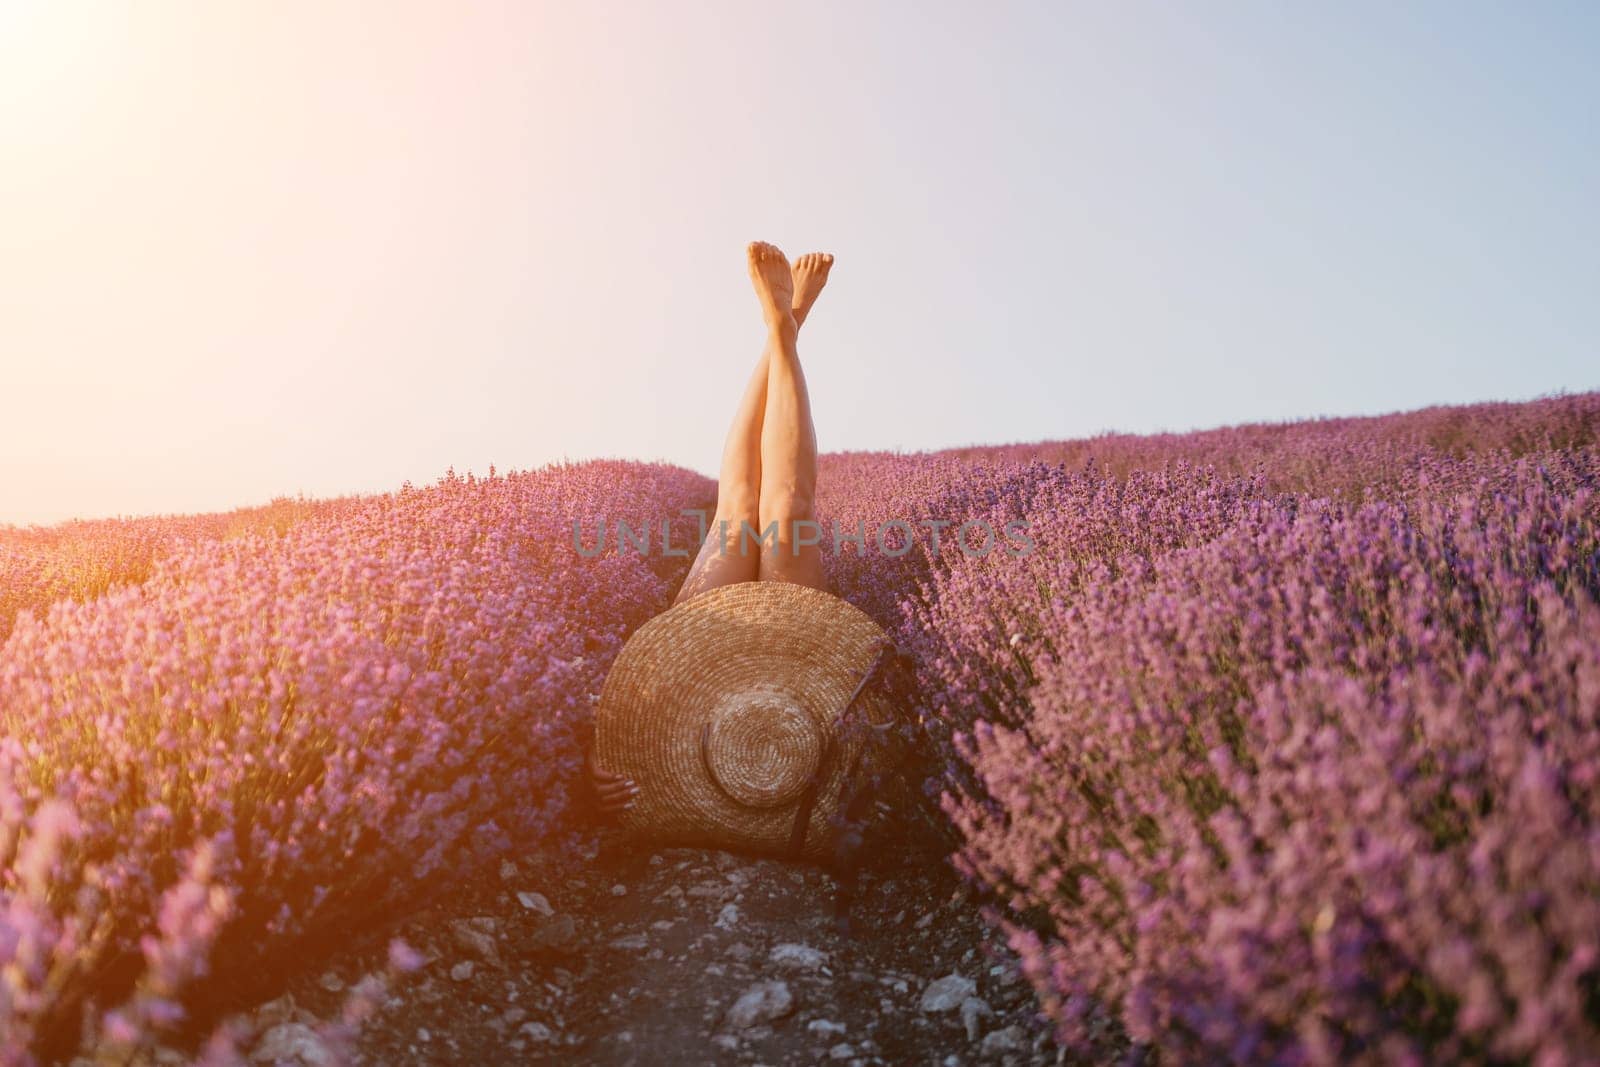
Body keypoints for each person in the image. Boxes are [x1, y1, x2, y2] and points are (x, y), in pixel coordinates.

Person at [586, 242, 835, 817]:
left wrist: (598, 754)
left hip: (695, 675)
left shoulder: (658, 780)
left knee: (739, 509)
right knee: (788, 510)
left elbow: (619, 722)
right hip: (805, 675)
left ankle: (782, 325)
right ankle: (784, 327)